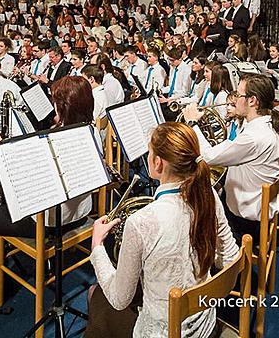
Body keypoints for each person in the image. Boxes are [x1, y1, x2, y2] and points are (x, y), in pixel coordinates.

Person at [86, 122, 239, 338]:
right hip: (204, 324)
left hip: (165, 332)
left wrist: (97, 247)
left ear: (158, 163)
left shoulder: (141, 223)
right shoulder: (209, 195)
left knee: (97, 296)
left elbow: (119, 300)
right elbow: (231, 259)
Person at [0, 76, 96, 310]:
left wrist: (5, 153)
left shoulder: (57, 139)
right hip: (81, 213)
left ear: (61, 106)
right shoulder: (90, 132)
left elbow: (28, 187)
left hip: (50, 222)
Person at [189, 75, 279, 244]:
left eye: (239, 95)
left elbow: (206, 157)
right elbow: (231, 147)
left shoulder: (254, 137)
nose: (235, 101)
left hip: (244, 222)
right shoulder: (266, 124)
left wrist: (192, 124)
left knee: (193, 213)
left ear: (252, 101)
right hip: (256, 207)